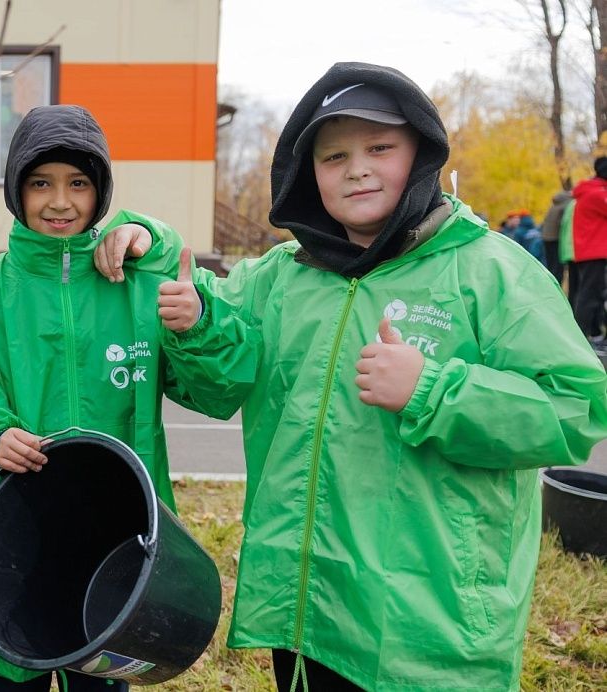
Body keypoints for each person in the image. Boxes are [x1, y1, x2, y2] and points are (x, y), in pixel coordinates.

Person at [157, 62, 607, 691]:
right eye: (333, 156)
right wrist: (191, 315)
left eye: (379, 147)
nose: (357, 168)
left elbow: (574, 409)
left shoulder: (491, 273)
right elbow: (215, 385)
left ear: (419, 154)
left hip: (431, 625)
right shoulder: (280, 277)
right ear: (307, 174)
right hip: (309, 607)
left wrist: (433, 389)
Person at [0, 104, 216, 692]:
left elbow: (215, 384)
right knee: (15, 666)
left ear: (101, 192)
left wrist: (174, 278)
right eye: (41, 183)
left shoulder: (135, 284)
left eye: (79, 183)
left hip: (120, 538)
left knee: (104, 668)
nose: (60, 201)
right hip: (19, 533)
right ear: (16, 190)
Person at [570, 157, 607, 349]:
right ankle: (580, 338)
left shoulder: (589, 192)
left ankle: (593, 335)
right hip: (595, 252)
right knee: (589, 295)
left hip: (590, 251)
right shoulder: (597, 194)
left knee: (594, 294)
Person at [541, 190, 573, 282]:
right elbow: (564, 223)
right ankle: (557, 288)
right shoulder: (567, 204)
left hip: (547, 237)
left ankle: (551, 286)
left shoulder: (555, 205)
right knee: (558, 268)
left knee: (551, 266)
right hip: (556, 238)